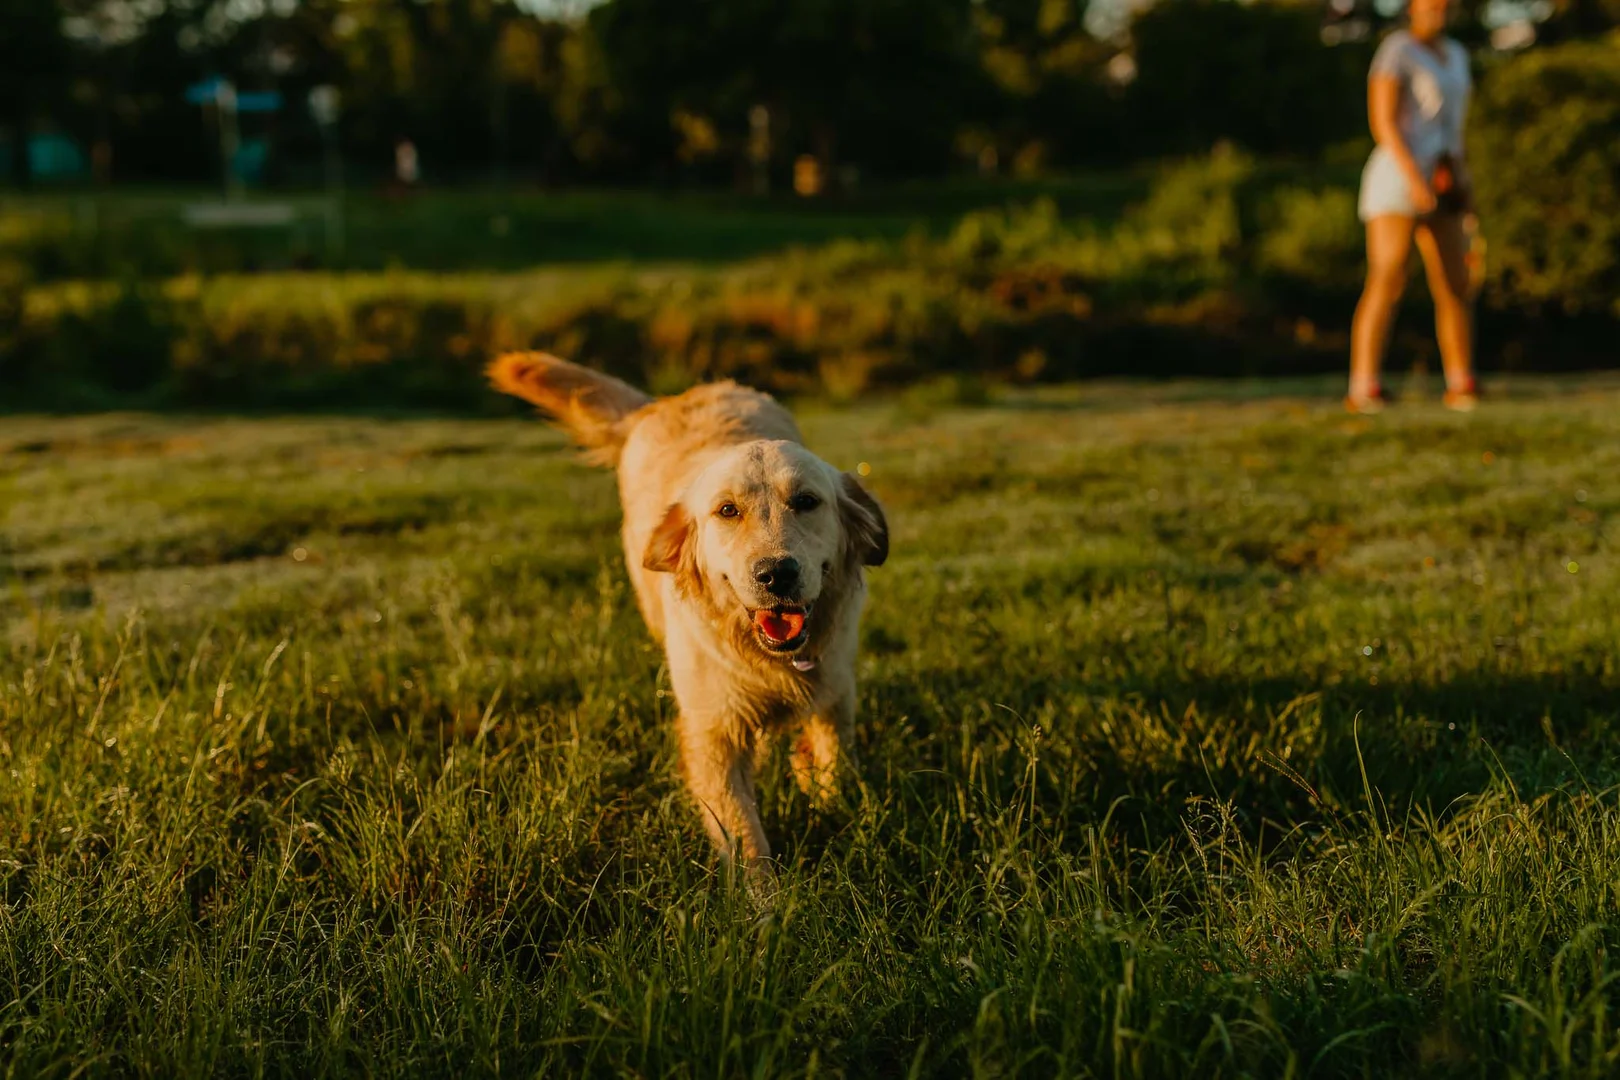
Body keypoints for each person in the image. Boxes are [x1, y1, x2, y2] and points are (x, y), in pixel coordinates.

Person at [1347, 0, 1478, 414]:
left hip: (1443, 177)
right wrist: (1414, 180)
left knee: (1455, 281)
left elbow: (1453, 128)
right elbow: (1383, 122)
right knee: (1389, 274)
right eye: (1431, 4)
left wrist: (1461, 177)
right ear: (1413, 8)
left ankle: (1461, 382)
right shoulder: (1396, 51)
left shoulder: (1457, 54)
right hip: (1397, 179)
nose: (1439, 10)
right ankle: (1364, 385)